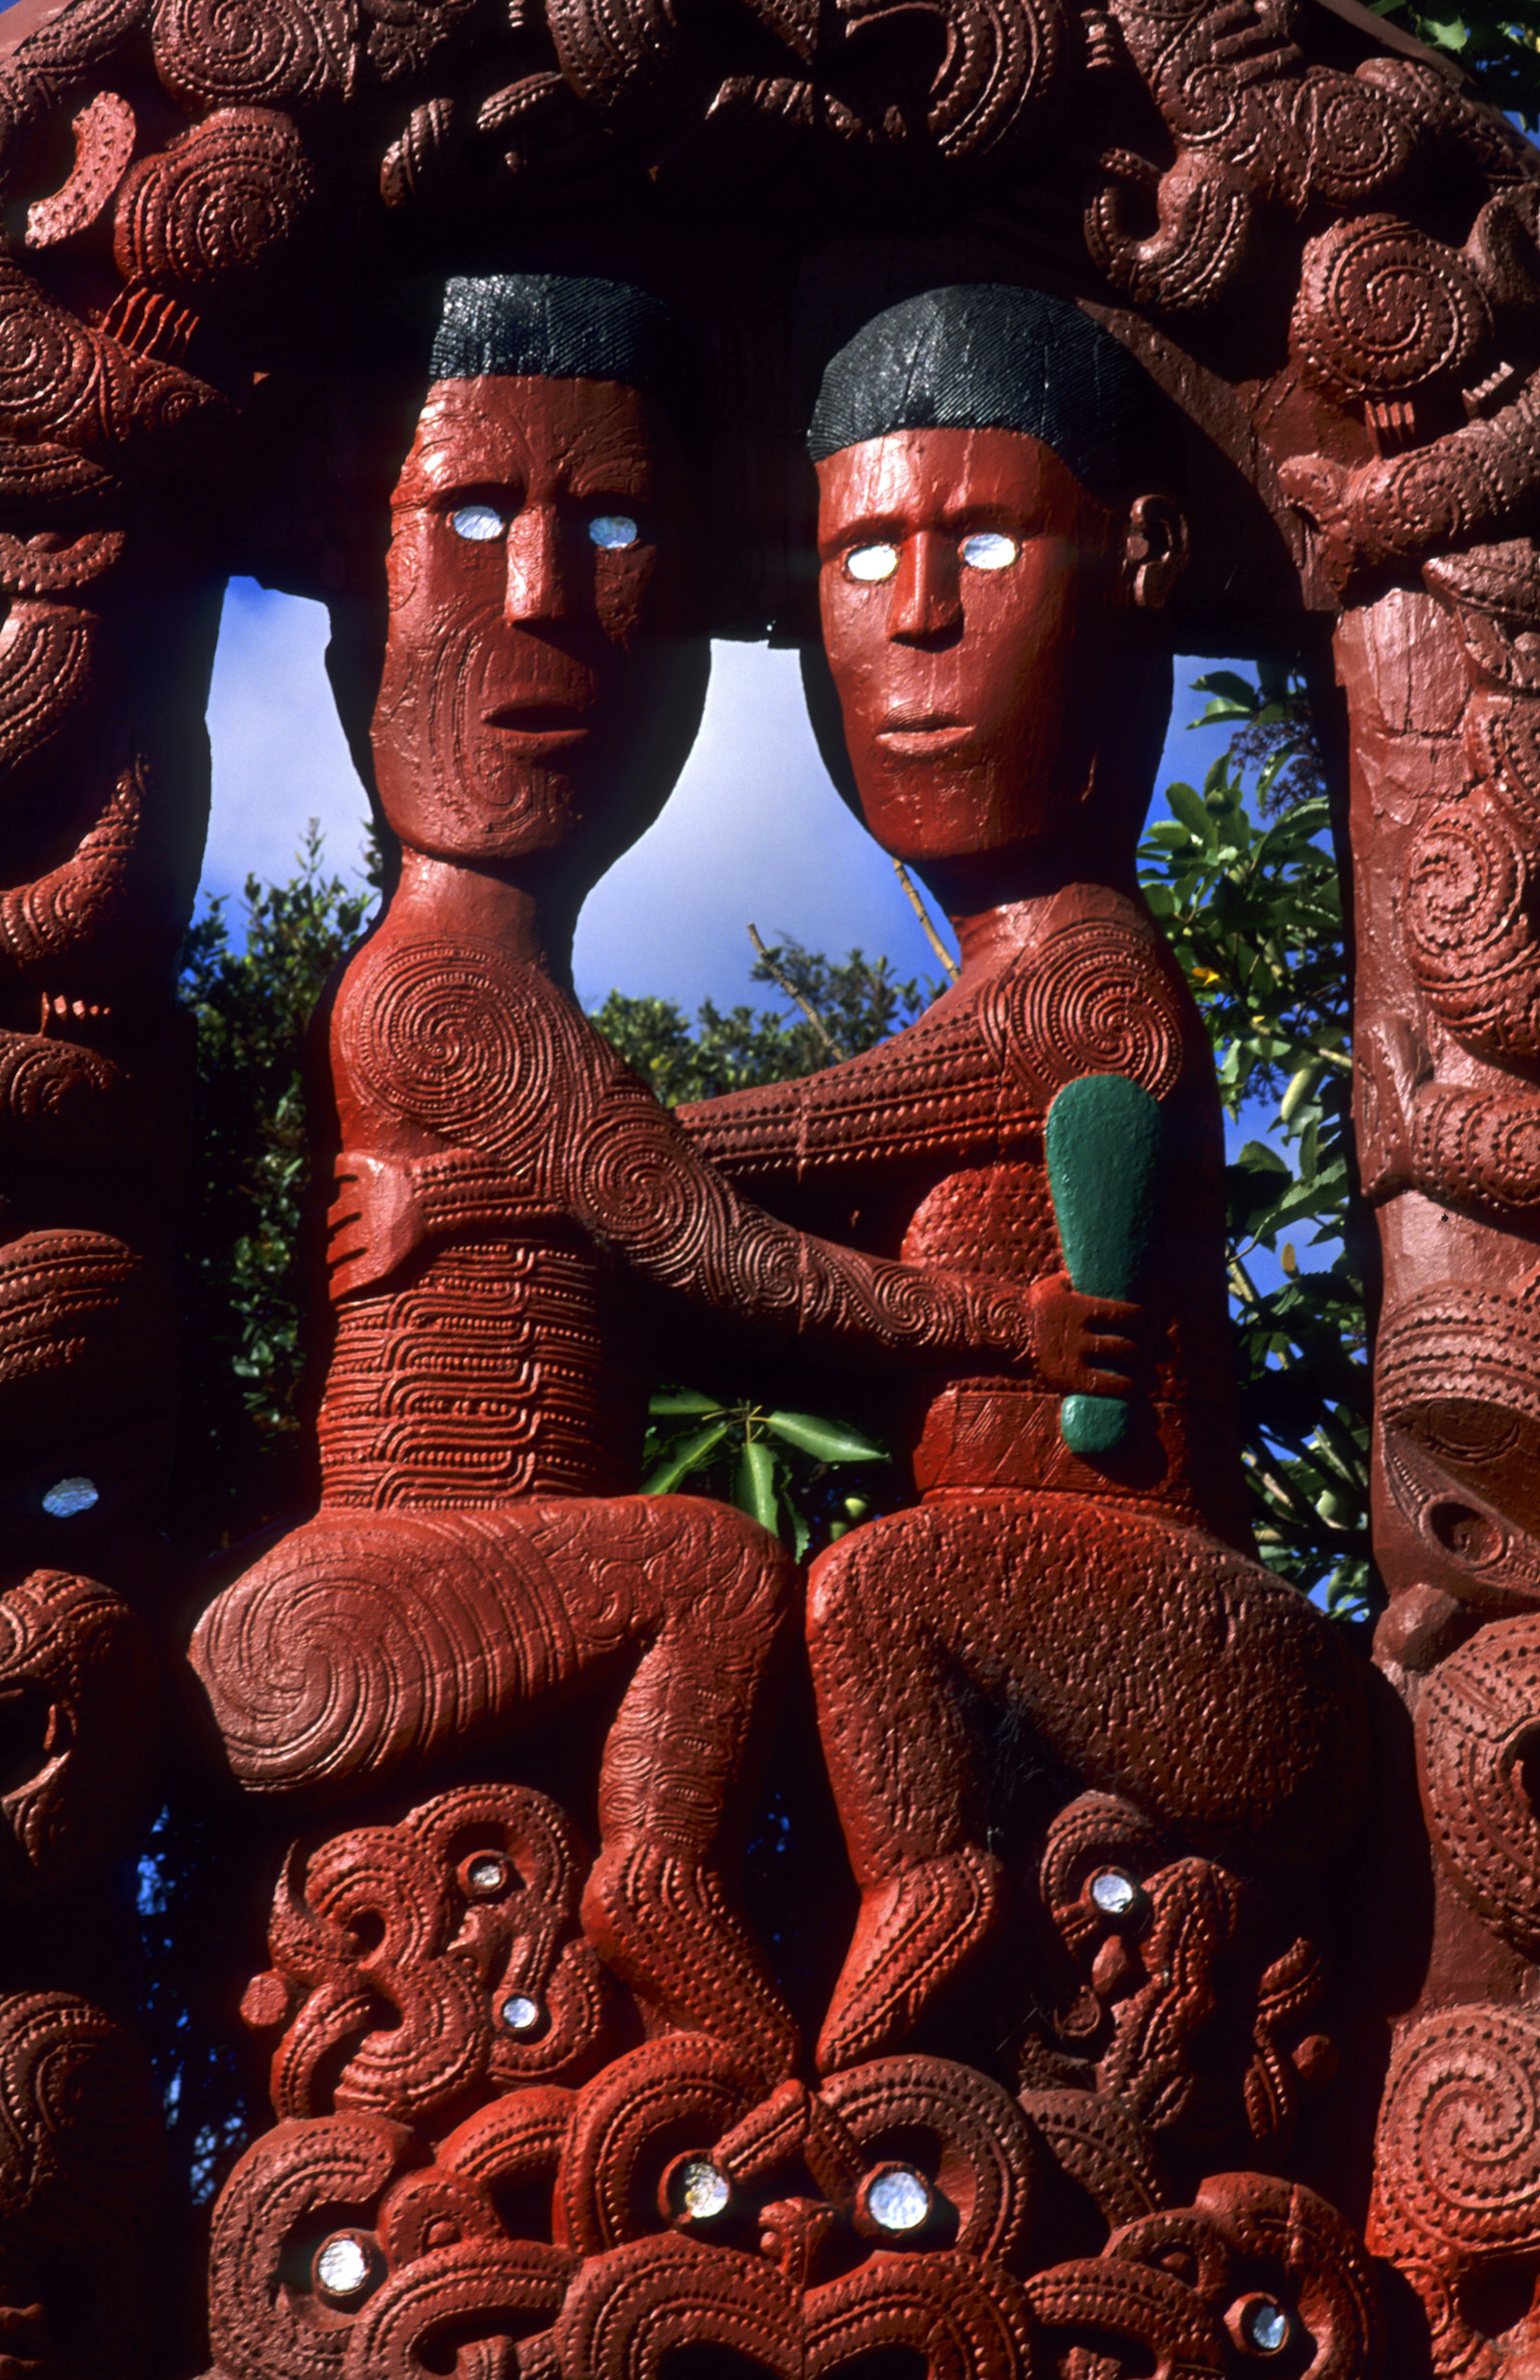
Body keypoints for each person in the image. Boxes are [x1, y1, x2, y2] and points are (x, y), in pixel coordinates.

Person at [189, 273, 1040, 2081]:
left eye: (623, 527)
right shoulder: (450, 996)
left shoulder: (501, 1009)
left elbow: (658, 1234)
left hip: (424, 1604)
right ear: (358, 627)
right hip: (349, 1616)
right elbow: (700, 1237)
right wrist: (994, 1321)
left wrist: (508, 1207)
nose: (544, 599)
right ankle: (659, 1889)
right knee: (715, 1563)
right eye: (474, 515)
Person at [678, 285, 1368, 2074]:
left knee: (871, 1591)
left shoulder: (1082, 986)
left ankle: (862, 2058)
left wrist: (504, 1154)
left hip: (1201, 1642)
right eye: (863, 556)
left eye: (981, 540)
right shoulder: (997, 988)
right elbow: (779, 1280)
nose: (916, 617)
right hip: (1068, 1636)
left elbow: (752, 1151)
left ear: (1137, 555)